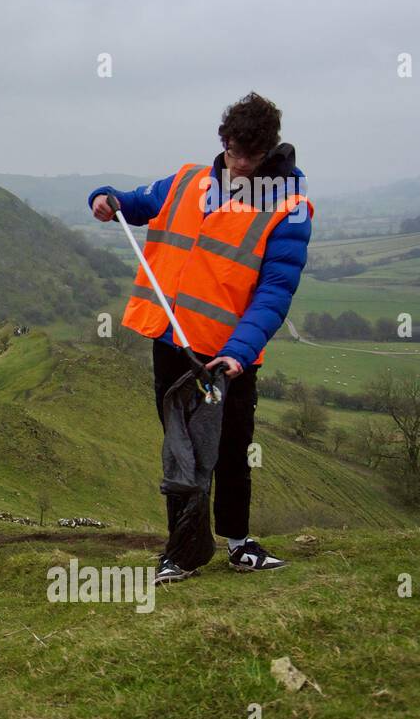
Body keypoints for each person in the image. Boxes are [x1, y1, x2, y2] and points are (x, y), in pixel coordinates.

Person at [88, 92, 314, 583]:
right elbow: (138, 204)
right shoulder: (189, 180)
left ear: (269, 152)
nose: (238, 165)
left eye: (249, 158)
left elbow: (275, 293)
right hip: (171, 344)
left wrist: (239, 352)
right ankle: (182, 551)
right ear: (223, 141)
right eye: (231, 152)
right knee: (180, 450)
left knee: (233, 449)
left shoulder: (290, 209)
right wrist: (106, 199)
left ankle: (239, 543)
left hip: (229, 358)